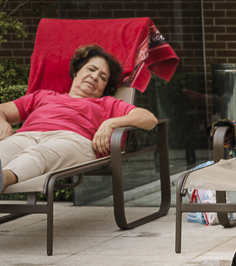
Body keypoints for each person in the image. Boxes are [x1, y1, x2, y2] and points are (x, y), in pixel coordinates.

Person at [0, 44, 158, 192]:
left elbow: (149, 119)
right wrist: (2, 122)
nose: (95, 77)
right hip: (27, 135)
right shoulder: (42, 96)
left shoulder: (107, 103)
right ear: (76, 71)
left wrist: (110, 123)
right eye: (91, 69)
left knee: (39, 153)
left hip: (73, 140)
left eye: (103, 77)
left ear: (105, 87)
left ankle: (4, 178)